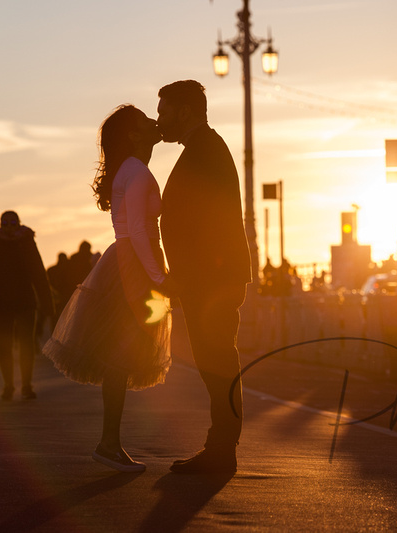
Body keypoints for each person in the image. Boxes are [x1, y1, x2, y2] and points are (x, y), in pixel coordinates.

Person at [43, 105, 172, 473]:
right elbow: (137, 233)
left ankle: (110, 443)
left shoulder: (129, 169)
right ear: (133, 134)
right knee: (122, 355)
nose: (155, 123)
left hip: (125, 262)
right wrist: (159, 278)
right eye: (147, 121)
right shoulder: (137, 171)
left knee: (121, 356)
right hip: (132, 265)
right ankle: (108, 444)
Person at [157, 80, 251, 474]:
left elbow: (206, 222)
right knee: (214, 362)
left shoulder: (206, 150)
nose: (159, 118)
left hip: (211, 281)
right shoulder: (203, 148)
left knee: (217, 363)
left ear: (184, 111)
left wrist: (187, 278)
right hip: (209, 279)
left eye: (164, 111)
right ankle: (220, 446)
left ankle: (222, 450)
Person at [0, 211, 54, 400]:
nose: (9, 227)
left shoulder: (27, 244)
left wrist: (47, 305)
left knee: (27, 345)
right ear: (0, 225)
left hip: (25, 302)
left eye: (13, 223)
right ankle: (8, 386)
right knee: (4, 346)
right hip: (0, 304)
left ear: (19, 224)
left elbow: (39, 274)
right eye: (5, 223)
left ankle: (26, 385)